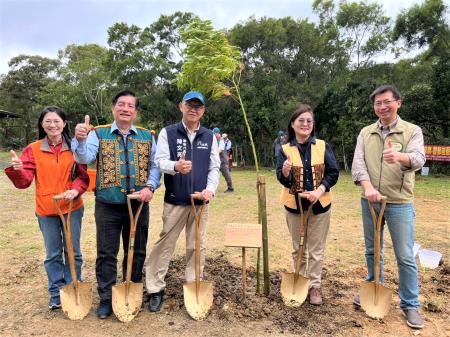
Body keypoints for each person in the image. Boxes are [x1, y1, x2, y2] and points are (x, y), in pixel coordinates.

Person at [71, 90, 161, 319]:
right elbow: (84, 158)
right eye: (121, 104)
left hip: (139, 205)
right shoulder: (98, 134)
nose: (125, 109)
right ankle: (106, 298)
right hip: (107, 204)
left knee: (137, 250)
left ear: (136, 112)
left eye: (130, 106)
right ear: (113, 108)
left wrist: (150, 187)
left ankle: (132, 290)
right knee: (106, 253)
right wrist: (80, 141)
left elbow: (155, 165)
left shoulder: (147, 135)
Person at [351, 85, 426, 329]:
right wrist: (368, 188)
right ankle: (374, 288)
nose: (382, 107)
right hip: (370, 201)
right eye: (377, 104)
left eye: (386, 102)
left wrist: (401, 158)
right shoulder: (366, 133)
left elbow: (418, 159)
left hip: (399, 202)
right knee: (372, 250)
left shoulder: (411, 131)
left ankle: (410, 304)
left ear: (398, 103)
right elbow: (358, 165)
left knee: (404, 255)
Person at [5, 106, 89, 310]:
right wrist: (17, 170)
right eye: (48, 121)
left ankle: (73, 287)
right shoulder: (33, 149)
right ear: (42, 124)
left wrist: (75, 190)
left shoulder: (75, 147)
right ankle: (56, 293)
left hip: (72, 207)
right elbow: (24, 181)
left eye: (57, 121)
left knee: (73, 252)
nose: (53, 125)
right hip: (47, 209)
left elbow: (83, 176)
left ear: (64, 124)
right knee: (53, 254)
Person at [145, 91, 220, 312]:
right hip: (175, 201)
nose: (193, 109)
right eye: (190, 105)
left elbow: (214, 167)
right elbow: (159, 161)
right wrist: (175, 167)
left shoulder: (209, 136)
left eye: (198, 106)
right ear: (181, 107)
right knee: (165, 245)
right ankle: (155, 289)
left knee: (197, 246)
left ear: (203, 111)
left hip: (200, 202)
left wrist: (210, 190)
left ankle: (193, 285)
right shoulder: (168, 132)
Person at [276, 104, 339, 305]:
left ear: (313, 125)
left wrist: (319, 191)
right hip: (294, 208)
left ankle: (314, 286)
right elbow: (281, 178)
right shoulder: (284, 148)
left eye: (309, 121)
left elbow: (333, 173)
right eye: (301, 121)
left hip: (320, 207)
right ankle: (299, 281)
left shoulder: (322, 146)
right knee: (298, 248)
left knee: (316, 249)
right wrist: (285, 171)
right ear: (292, 124)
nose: (305, 124)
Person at [213, 128, 234, 192]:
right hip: (218, 160)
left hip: (222, 161)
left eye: (214, 133)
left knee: (226, 174)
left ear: (217, 133)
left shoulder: (221, 141)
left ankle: (230, 188)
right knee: (214, 174)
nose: (213, 135)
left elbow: (220, 150)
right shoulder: (216, 140)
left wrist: (213, 153)